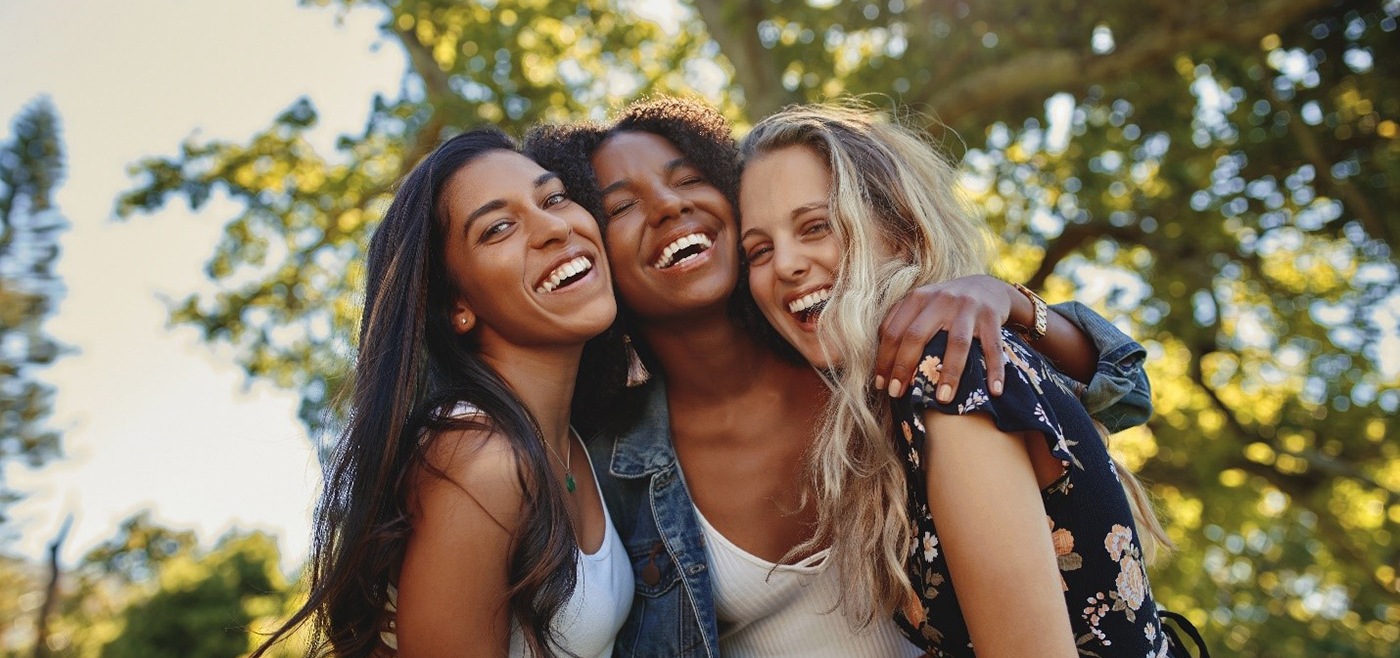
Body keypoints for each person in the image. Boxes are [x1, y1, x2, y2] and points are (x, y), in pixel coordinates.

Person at [525, 97, 1159, 657]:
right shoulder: (608, 468)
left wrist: (1010, 300)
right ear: (592, 255)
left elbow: (1120, 394)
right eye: (621, 207)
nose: (667, 206)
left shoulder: (891, 358)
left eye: (687, 177)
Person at [737, 103, 1191, 657]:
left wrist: (1014, 300)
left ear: (899, 231)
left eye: (816, 226)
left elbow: (1126, 389)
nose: (785, 263)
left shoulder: (949, 364)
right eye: (759, 250)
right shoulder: (891, 392)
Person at [251, 128, 632, 657]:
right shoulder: (478, 458)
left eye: (554, 198)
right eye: (499, 228)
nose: (552, 227)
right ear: (458, 305)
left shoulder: (575, 437)